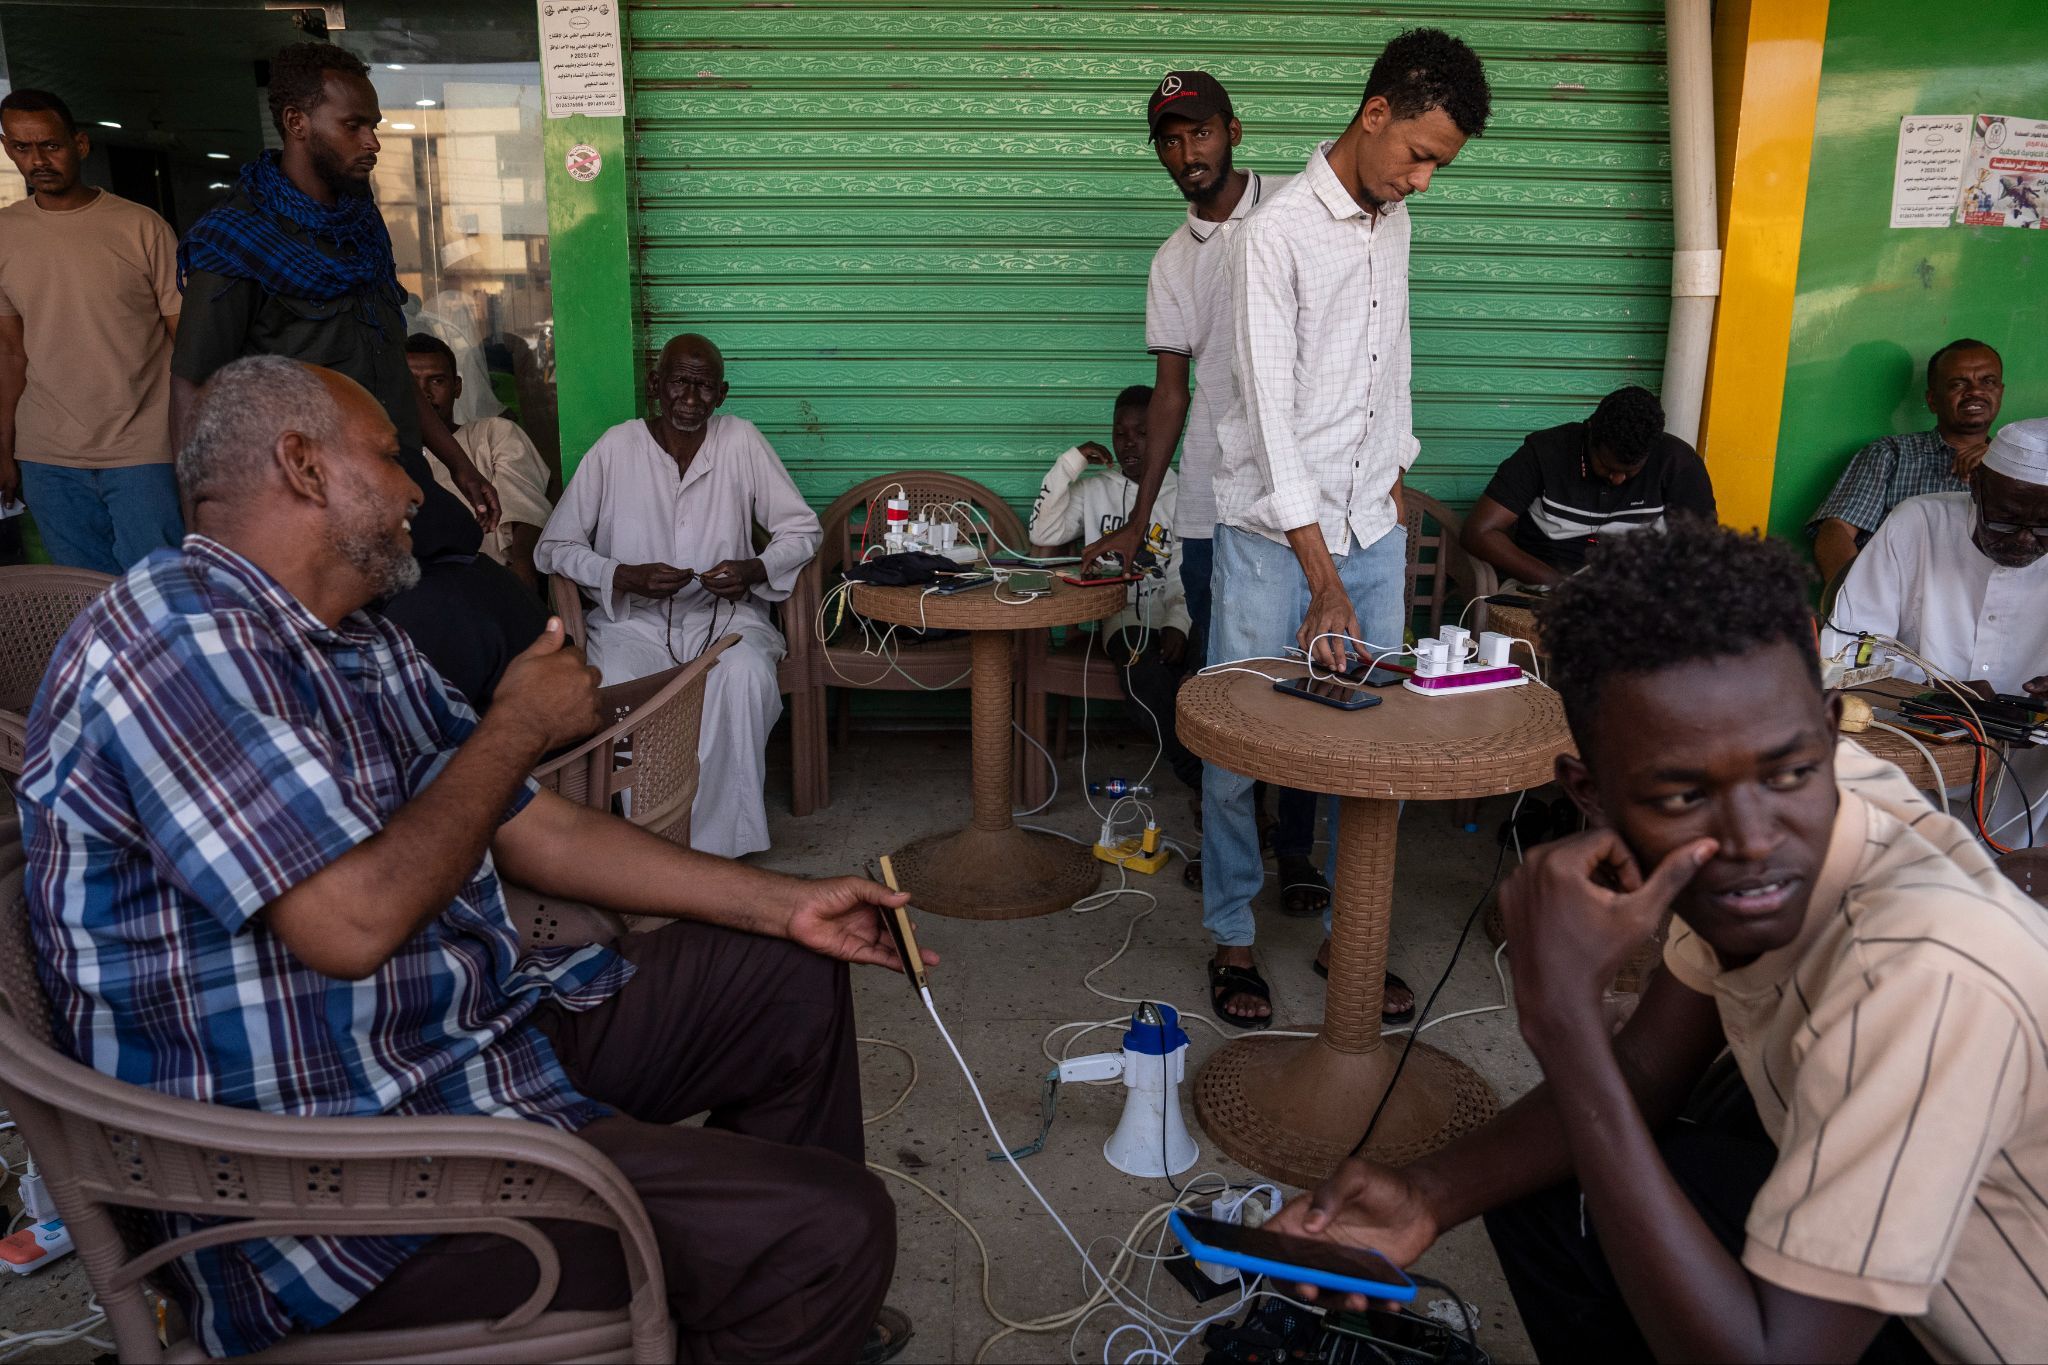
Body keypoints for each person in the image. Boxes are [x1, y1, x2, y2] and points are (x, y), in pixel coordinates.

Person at [15, 356, 916, 1365]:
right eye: (390, 457)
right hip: (338, 1191)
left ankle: (760, 1297)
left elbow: (537, 828)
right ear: (304, 467)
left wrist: (785, 903)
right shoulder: (178, 641)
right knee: (830, 1232)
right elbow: (348, 924)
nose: (417, 490)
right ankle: (778, 1285)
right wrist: (515, 726)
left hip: (461, 1048)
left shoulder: (353, 638)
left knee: (789, 976)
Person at [1269, 518, 2048, 1364]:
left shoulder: (1926, 969)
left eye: (1788, 773)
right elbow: (1644, 1068)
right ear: (1590, 795)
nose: (1752, 837)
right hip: (1889, 1246)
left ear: (1829, 731)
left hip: (1963, 1334)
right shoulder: (1760, 760)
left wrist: (1565, 1024)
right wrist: (1425, 1193)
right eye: (1681, 796)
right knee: (1550, 1189)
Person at [1192, 28, 1491, 1025]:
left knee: (1377, 743)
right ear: (1374, 113)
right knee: (1240, 743)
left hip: (1370, 527)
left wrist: (1395, 470)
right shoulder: (1270, 237)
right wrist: (1322, 578)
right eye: (1419, 155)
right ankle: (1232, 934)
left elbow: (1389, 356)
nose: (1423, 180)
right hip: (1272, 543)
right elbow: (1270, 425)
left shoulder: (1391, 221)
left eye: (1440, 166)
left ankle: (1345, 932)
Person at [170, 42, 544, 709]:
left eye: (374, 124)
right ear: (296, 122)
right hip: (321, 508)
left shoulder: (362, 227)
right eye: (354, 125)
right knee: (393, 664)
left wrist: (458, 462)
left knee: (504, 618)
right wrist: (204, 541)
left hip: (403, 483)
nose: (373, 141)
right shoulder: (236, 240)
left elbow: (388, 364)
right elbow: (191, 390)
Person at [1083, 70, 1320, 899]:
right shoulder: (1172, 261)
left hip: (1307, 502)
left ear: (1234, 130)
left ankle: (1300, 852)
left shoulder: (1297, 208)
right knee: (1225, 697)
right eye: (1172, 141)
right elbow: (1170, 395)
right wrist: (1140, 514)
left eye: (1202, 132)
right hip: (1212, 511)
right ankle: (1237, 855)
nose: (1189, 152)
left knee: (1310, 684)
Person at [535, 333, 820, 859]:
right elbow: (554, 547)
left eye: (704, 387)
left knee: (746, 675)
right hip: (632, 622)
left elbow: (802, 531)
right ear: (655, 384)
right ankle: (654, 840)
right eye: (679, 383)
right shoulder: (617, 447)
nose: (690, 399)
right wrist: (622, 575)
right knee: (621, 682)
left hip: (726, 618)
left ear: (722, 394)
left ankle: (719, 849)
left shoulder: (740, 441)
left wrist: (754, 568)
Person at [1822, 417, 2048, 841]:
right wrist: (1931, 692)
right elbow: (1847, 654)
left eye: (2045, 528)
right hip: (1905, 766)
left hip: (2031, 786)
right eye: (2005, 521)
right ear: (1976, 487)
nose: (2025, 540)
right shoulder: (1918, 525)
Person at [0, 88, 185, 573]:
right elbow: (10, 353)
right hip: (47, 454)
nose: (38, 160)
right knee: (82, 600)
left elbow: (185, 343)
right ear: (6, 148)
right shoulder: (4, 234)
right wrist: (4, 449)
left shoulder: (142, 227)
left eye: (50, 145)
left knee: (159, 592)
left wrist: (197, 441)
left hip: (143, 448)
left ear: (79, 144)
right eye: (22, 147)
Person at [1028, 383, 1199, 790]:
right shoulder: (1095, 490)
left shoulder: (1182, 494)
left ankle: (1218, 777)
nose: (1129, 443)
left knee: (1200, 672)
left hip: (1174, 613)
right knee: (1146, 674)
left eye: (1142, 433)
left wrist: (1177, 623)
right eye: (1120, 433)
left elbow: (1185, 571)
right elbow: (1042, 531)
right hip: (1121, 617)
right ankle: (1200, 779)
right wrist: (1072, 462)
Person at [1461, 385, 1715, 588]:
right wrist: (1560, 585)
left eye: (1630, 471)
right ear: (1591, 433)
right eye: (1607, 466)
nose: (1617, 479)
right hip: (1542, 589)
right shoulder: (1545, 453)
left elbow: (1702, 552)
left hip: (1639, 602)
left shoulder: (1677, 464)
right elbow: (1479, 532)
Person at [1807, 339, 2003, 584]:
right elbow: (1837, 531)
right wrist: (1854, 598)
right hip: (1897, 598)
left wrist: (1998, 469)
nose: (1975, 391)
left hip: (1988, 602)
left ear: (2000, 392)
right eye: (1958, 384)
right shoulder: (1891, 455)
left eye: (1988, 382)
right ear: (1932, 401)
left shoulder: (2025, 468)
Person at [406, 332, 552, 591]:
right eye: (412, 383)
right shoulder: (385, 454)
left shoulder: (493, 434)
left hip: (491, 582)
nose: (424, 394)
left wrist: (522, 565)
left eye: (436, 381)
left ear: (457, 387)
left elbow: (525, 506)